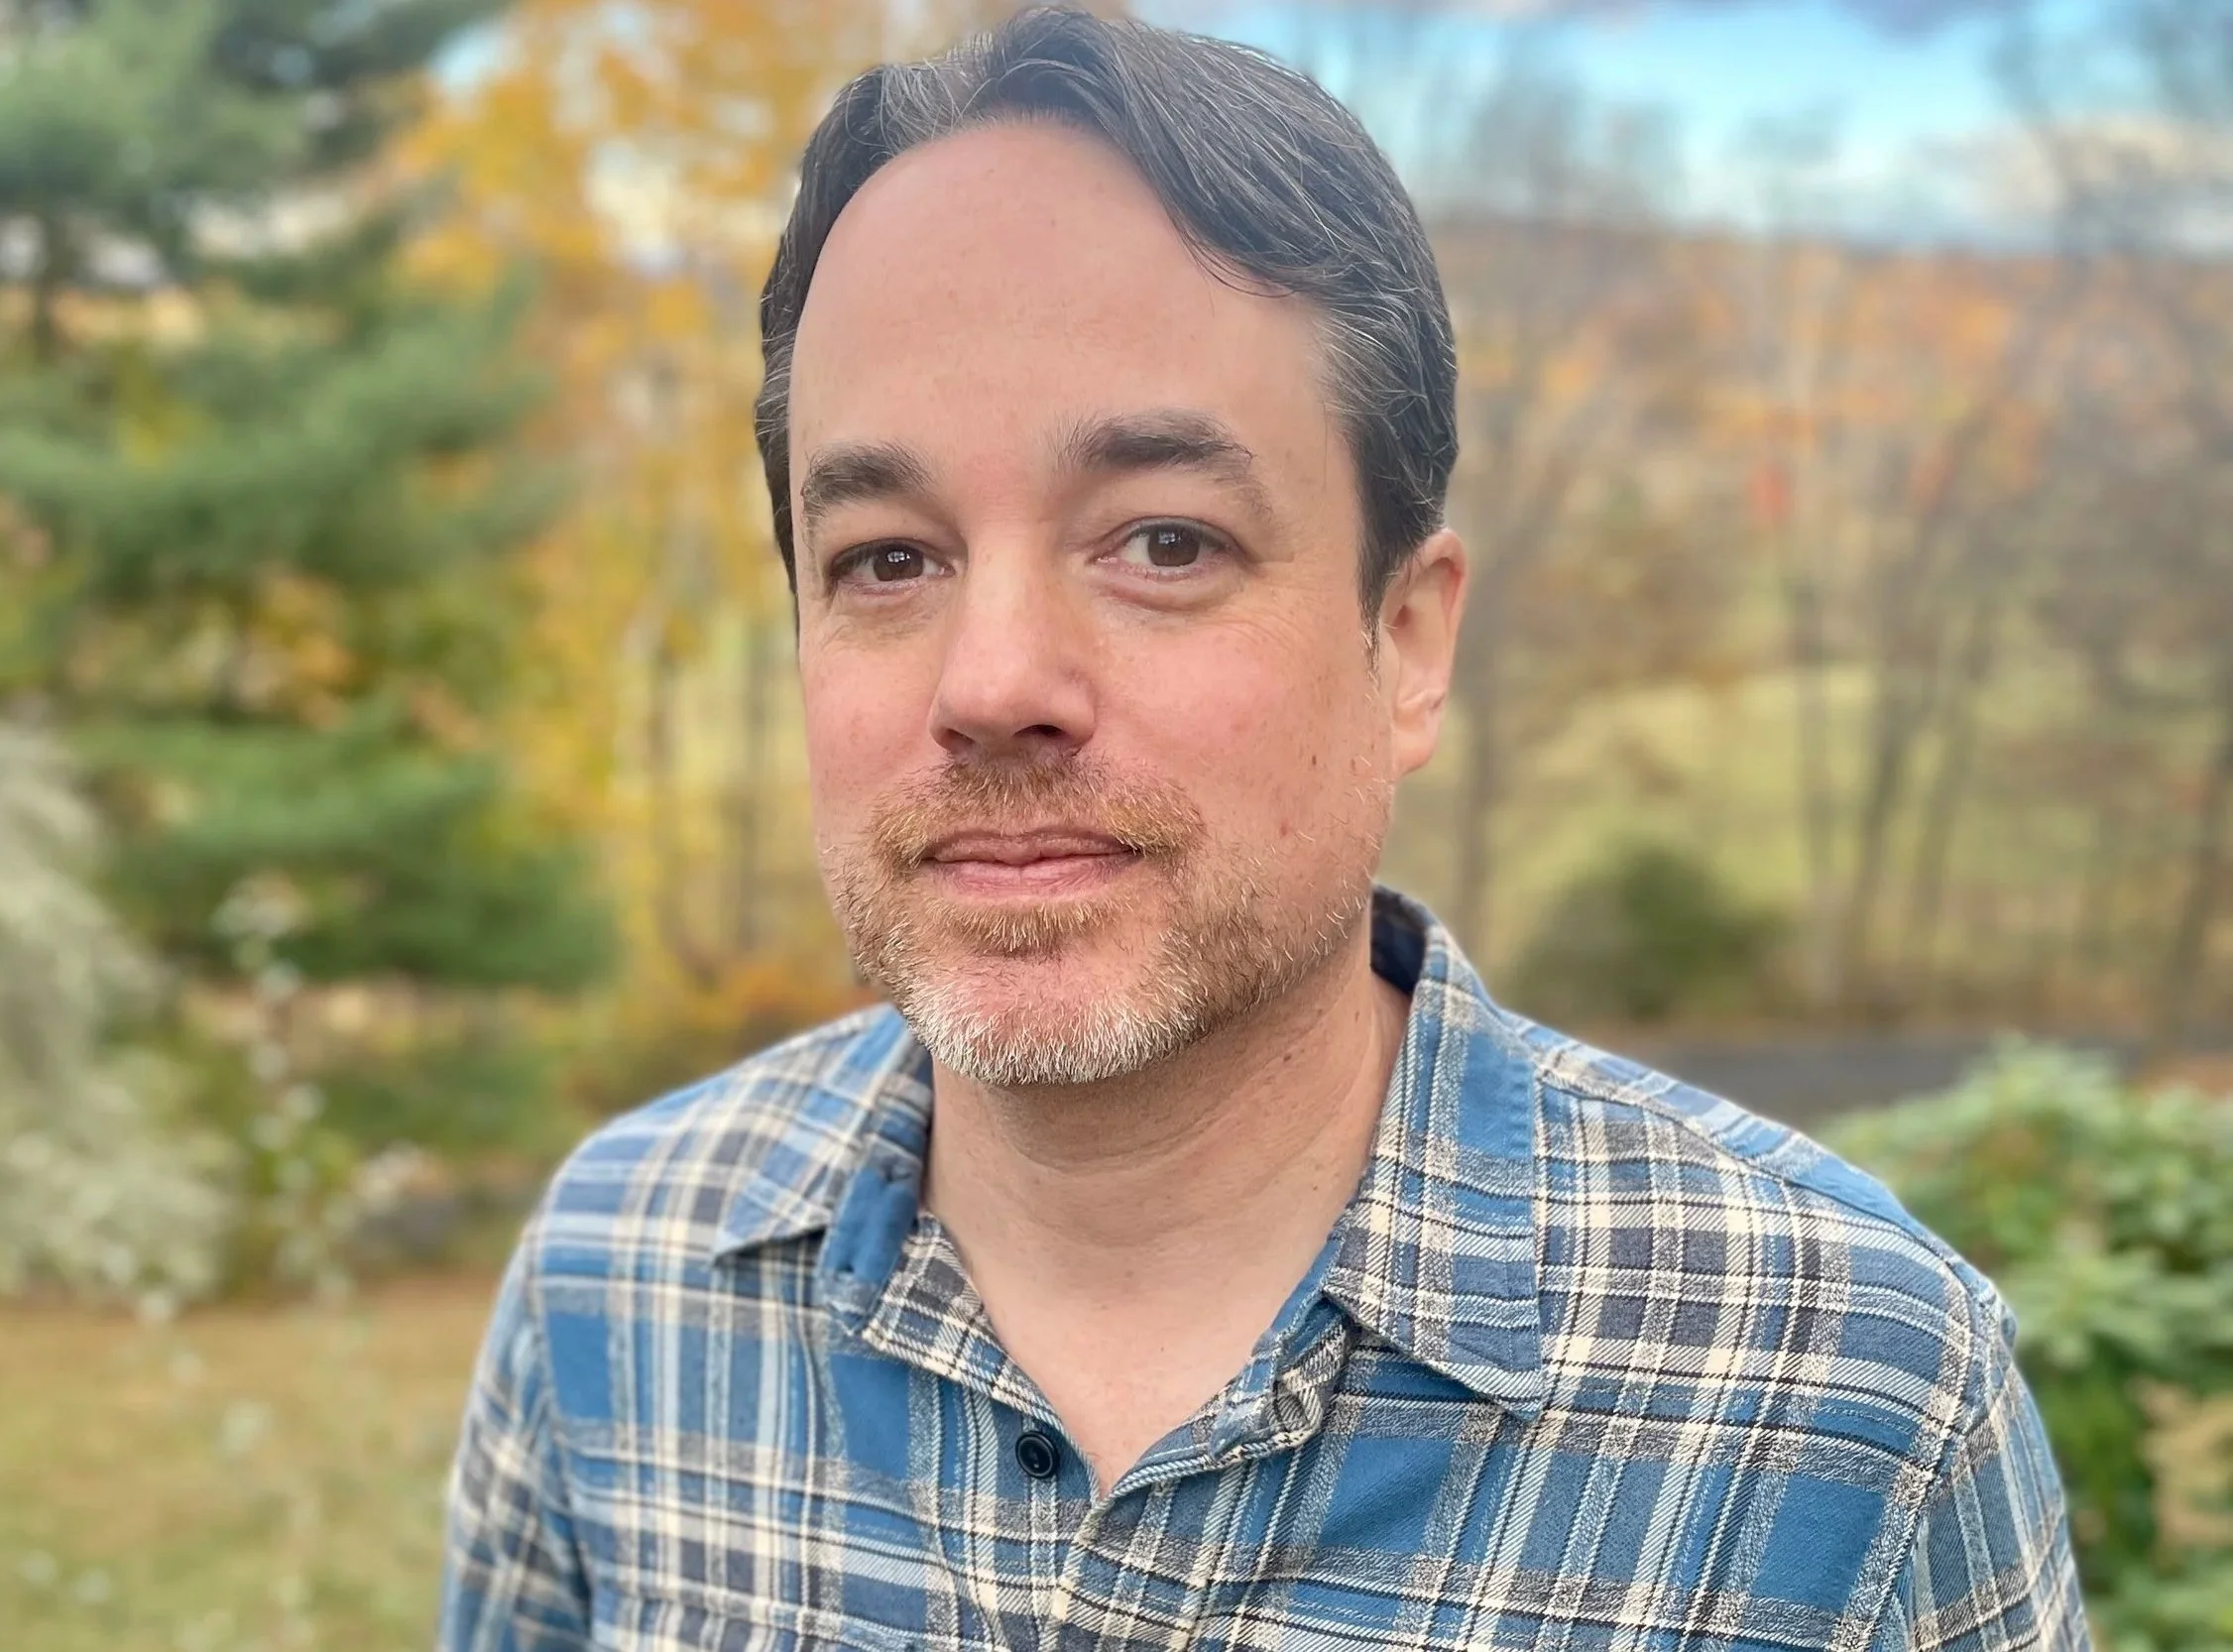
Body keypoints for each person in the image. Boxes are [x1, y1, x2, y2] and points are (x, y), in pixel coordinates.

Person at [438, 8, 2087, 1648]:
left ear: (1407, 644)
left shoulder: (1847, 1400)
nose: (992, 682)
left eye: (1164, 541)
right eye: (888, 558)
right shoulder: (615, 1285)